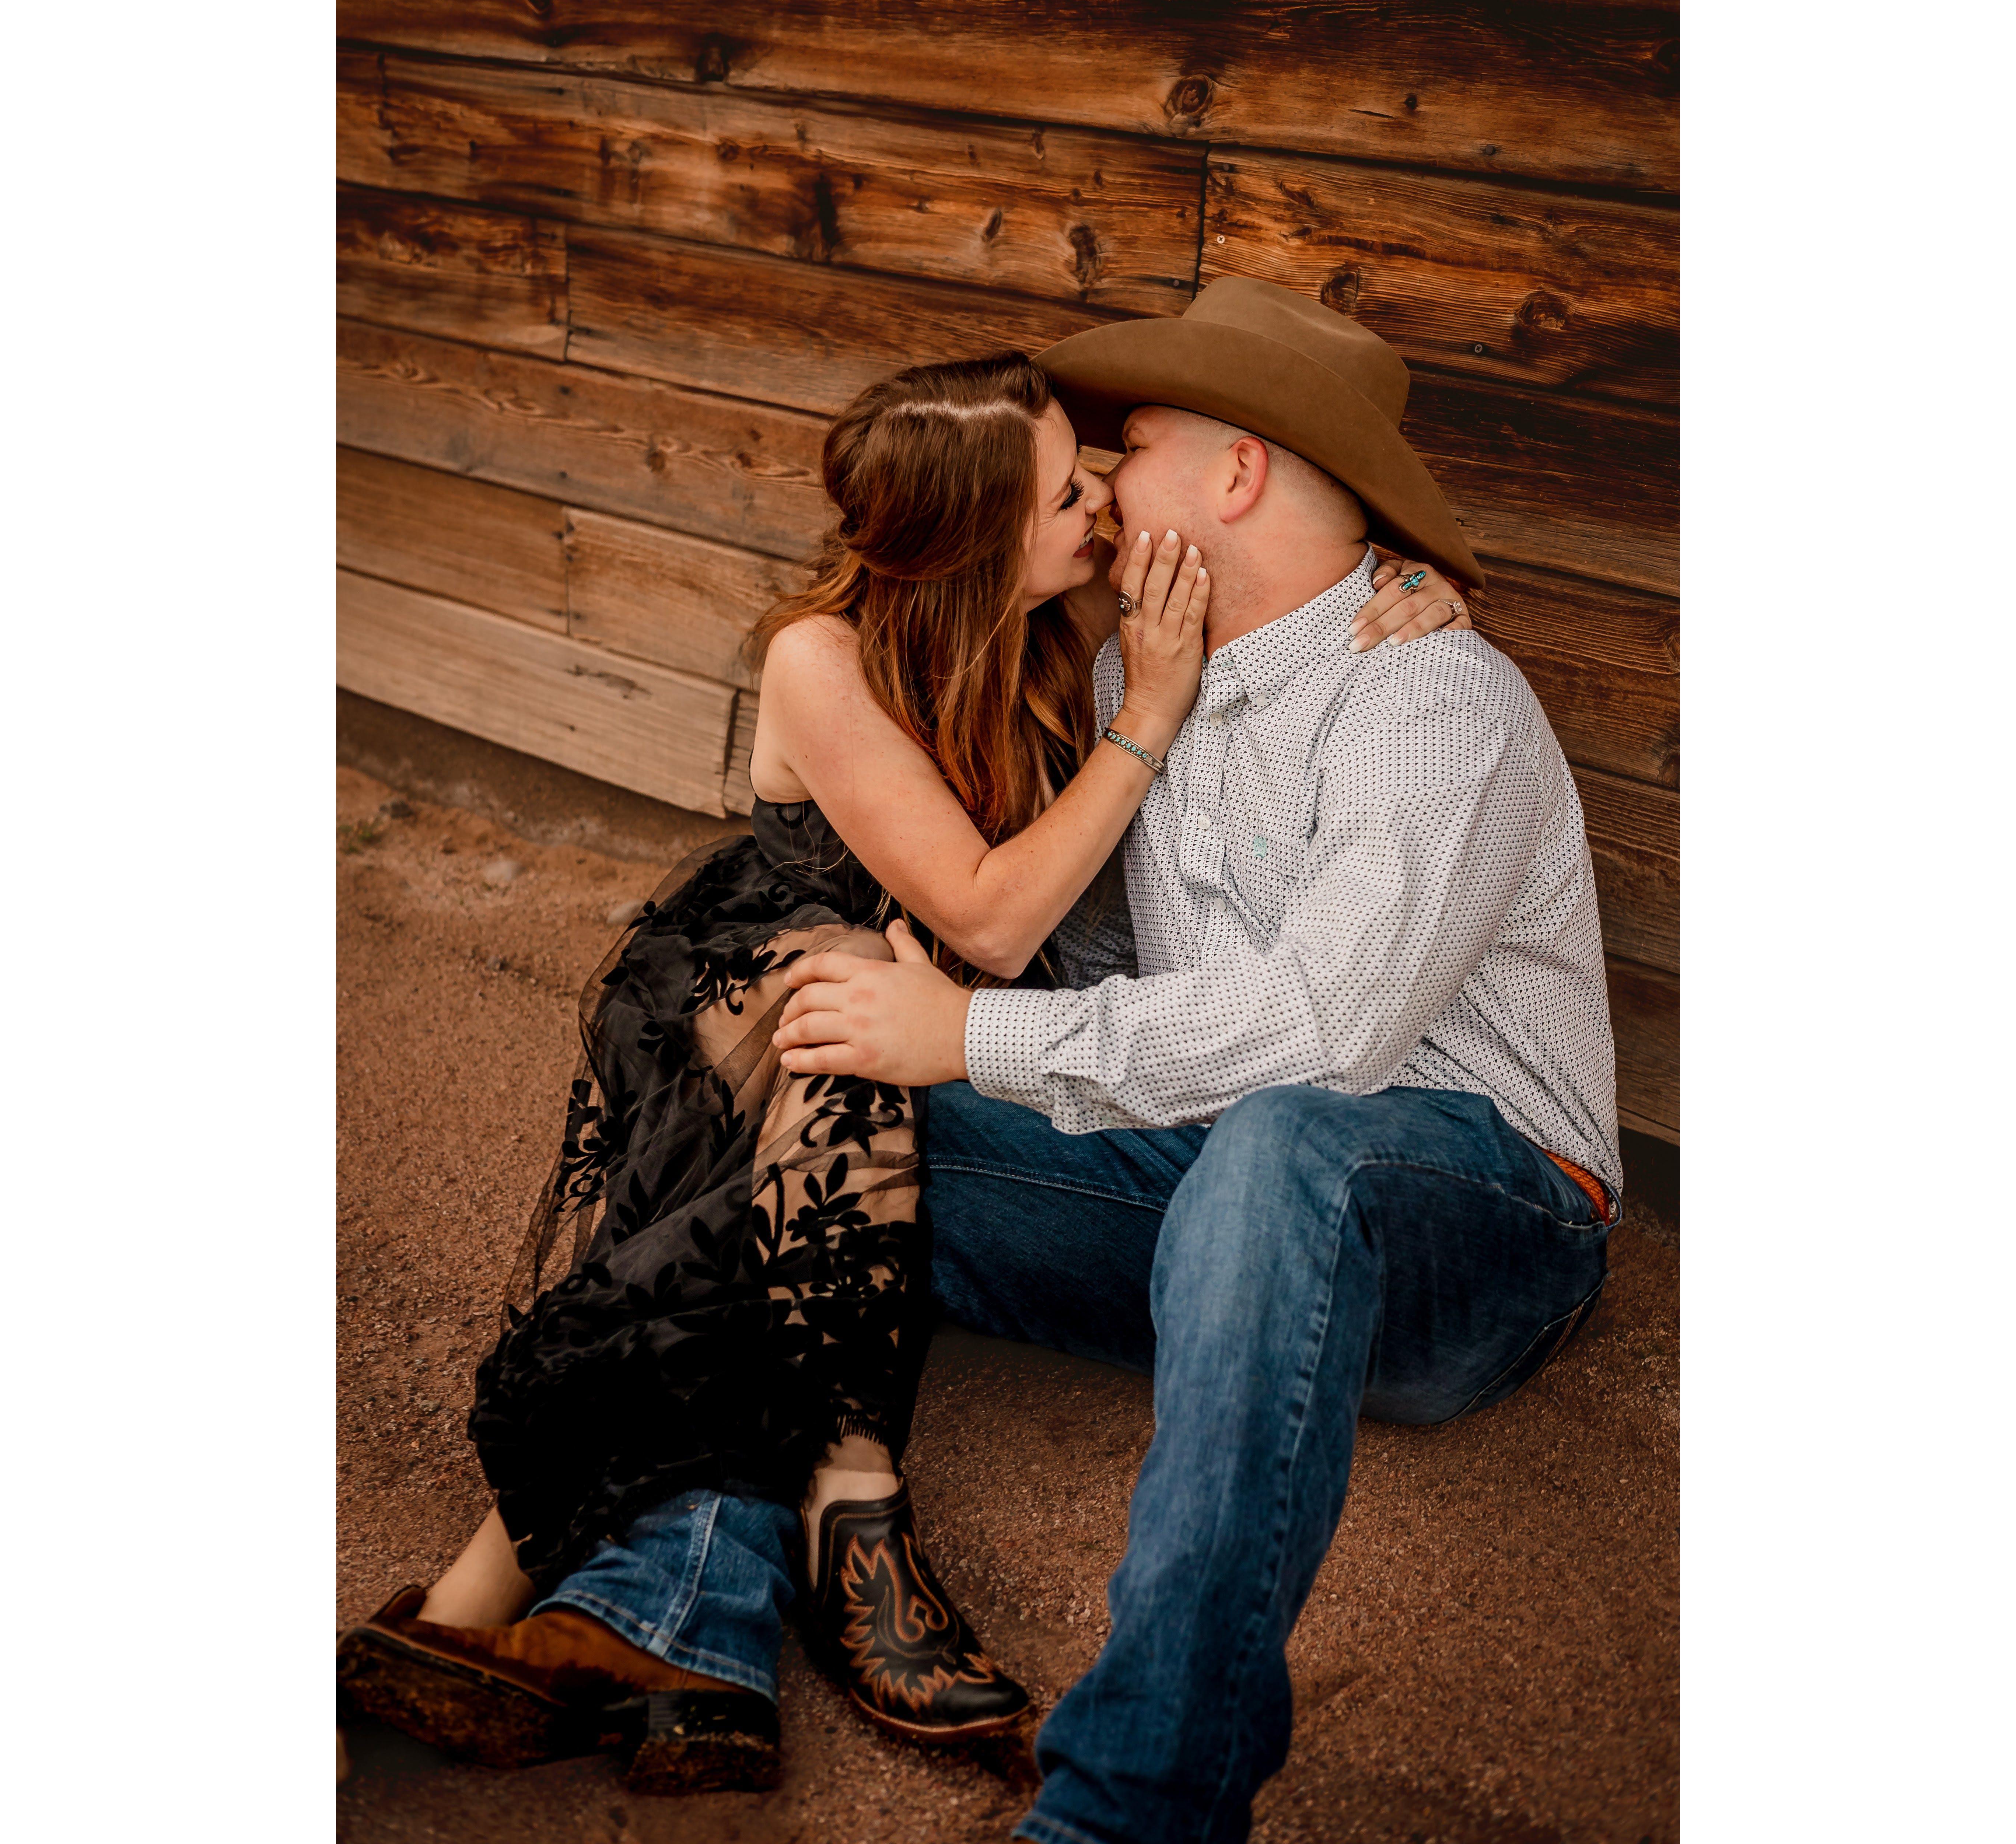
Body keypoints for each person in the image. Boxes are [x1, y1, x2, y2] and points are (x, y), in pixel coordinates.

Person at [335, 338, 1477, 1795]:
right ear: (978, 537)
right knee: (825, 1046)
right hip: (760, 987)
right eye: (1069, 490)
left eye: (1103, 469)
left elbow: (1275, 601)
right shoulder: (823, 660)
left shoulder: (1076, 621)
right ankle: (840, 1512)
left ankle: (616, 1623)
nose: (1106, 499)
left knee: (805, 1131)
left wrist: (1401, 586)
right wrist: (1152, 716)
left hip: (919, 1014)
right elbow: (988, 918)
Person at [772, 277, 1624, 1844]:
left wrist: (977, 1033)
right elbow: (1120, 985)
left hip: (1483, 1221)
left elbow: (1325, 1037)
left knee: (1288, 1132)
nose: (1102, 478)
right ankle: (674, 1593)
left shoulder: (1429, 694)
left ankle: (1131, 1811)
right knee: (823, 1114)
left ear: (1236, 474)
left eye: (1137, 443)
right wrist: (918, 1025)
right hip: (1224, 1193)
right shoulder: (1134, 679)